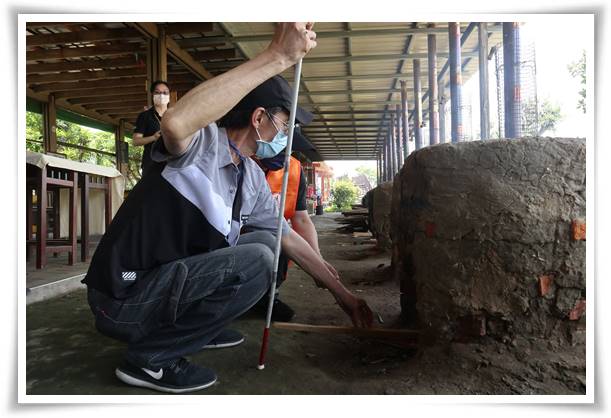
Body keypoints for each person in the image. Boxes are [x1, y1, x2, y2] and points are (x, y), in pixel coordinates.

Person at [82, 22, 373, 394]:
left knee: (268, 245)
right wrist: (277, 56)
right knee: (257, 260)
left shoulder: (250, 177)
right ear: (258, 119)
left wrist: (343, 294)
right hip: (122, 300)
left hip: (161, 290)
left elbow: (289, 238)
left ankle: (192, 329)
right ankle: (151, 360)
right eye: (283, 127)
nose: (286, 141)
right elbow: (174, 122)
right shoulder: (200, 144)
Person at [249, 129, 339, 322]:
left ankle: (269, 296)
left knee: (282, 237)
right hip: (237, 239)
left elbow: (302, 219)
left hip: (276, 235)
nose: (283, 152)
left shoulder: (294, 170)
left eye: (287, 148)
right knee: (271, 239)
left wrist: (318, 261)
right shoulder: (241, 163)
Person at [132, 80, 170, 176]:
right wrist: (153, 138)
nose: (162, 95)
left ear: (169, 95)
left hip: (172, 163)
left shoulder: (174, 115)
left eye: (165, 92)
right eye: (157, 92)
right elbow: (136, 141)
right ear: (152, 94)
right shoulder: (145, 116)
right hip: (151, 163)